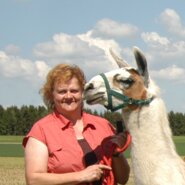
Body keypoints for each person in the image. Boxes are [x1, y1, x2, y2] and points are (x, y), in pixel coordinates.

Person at [22, 63, 130, 185]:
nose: (69, 96)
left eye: (74, 91)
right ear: (51, 95)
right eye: (62, 91)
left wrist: (116, 153)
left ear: (82, 93)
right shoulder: (41, 130)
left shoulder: (103, 125)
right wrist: (80, 176)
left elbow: (123, 179)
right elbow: (34, 180)